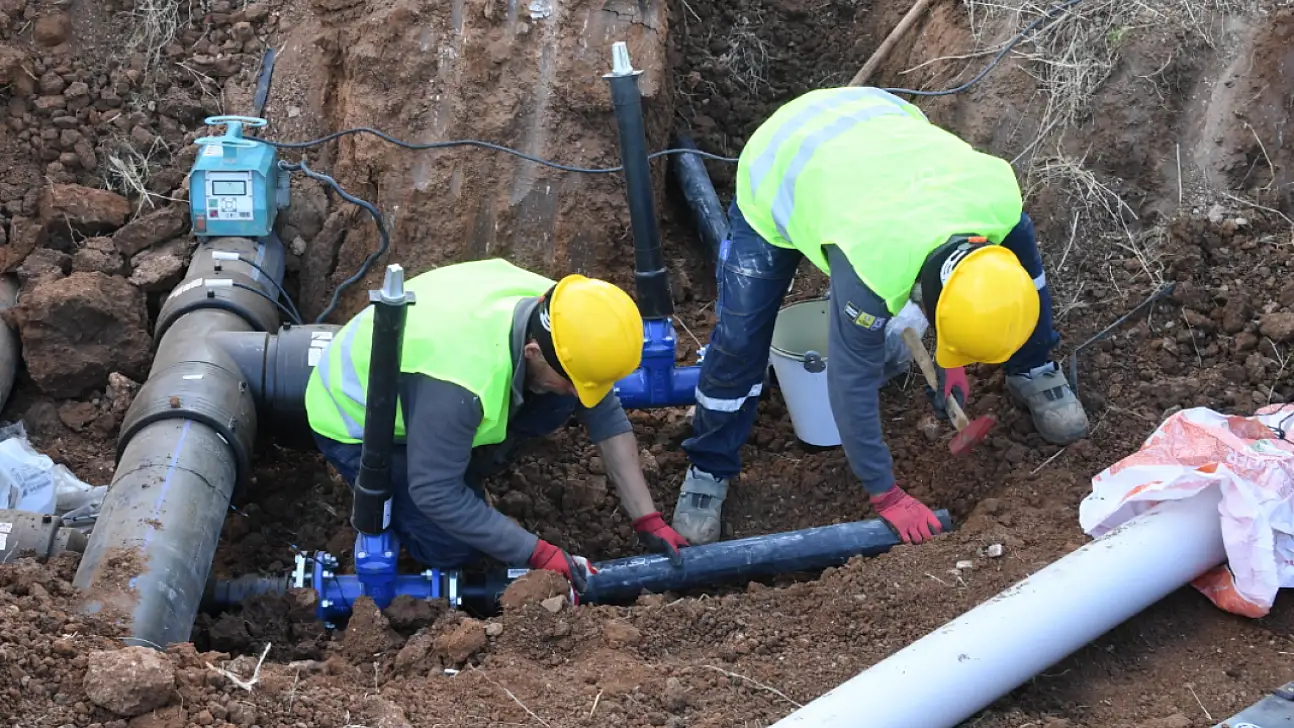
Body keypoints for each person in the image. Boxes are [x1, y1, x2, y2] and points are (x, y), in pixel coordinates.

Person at [671, 86, 1090, 547]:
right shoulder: (873, 265)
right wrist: (886, 495)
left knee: (1028, 279)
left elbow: (1006, 290)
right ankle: (709, 465)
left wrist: (952, 356)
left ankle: (1033, 369)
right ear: (924, 300)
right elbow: (848, 382)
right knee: (741, 337)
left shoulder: (998, 201)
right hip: (782, 161)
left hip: (878, 120)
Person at [304, 258, 690, 595]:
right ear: (533, 352)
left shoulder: (563, 312)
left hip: (438, 397)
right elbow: (434, 492)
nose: (579, 394)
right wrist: (538, 554)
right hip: (358, 424)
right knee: (454, 546)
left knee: (558, 398)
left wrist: (648, 519)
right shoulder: (462, 382)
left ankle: (466, 465)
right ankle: (437, 510)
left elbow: (602, 409)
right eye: (573, 381)